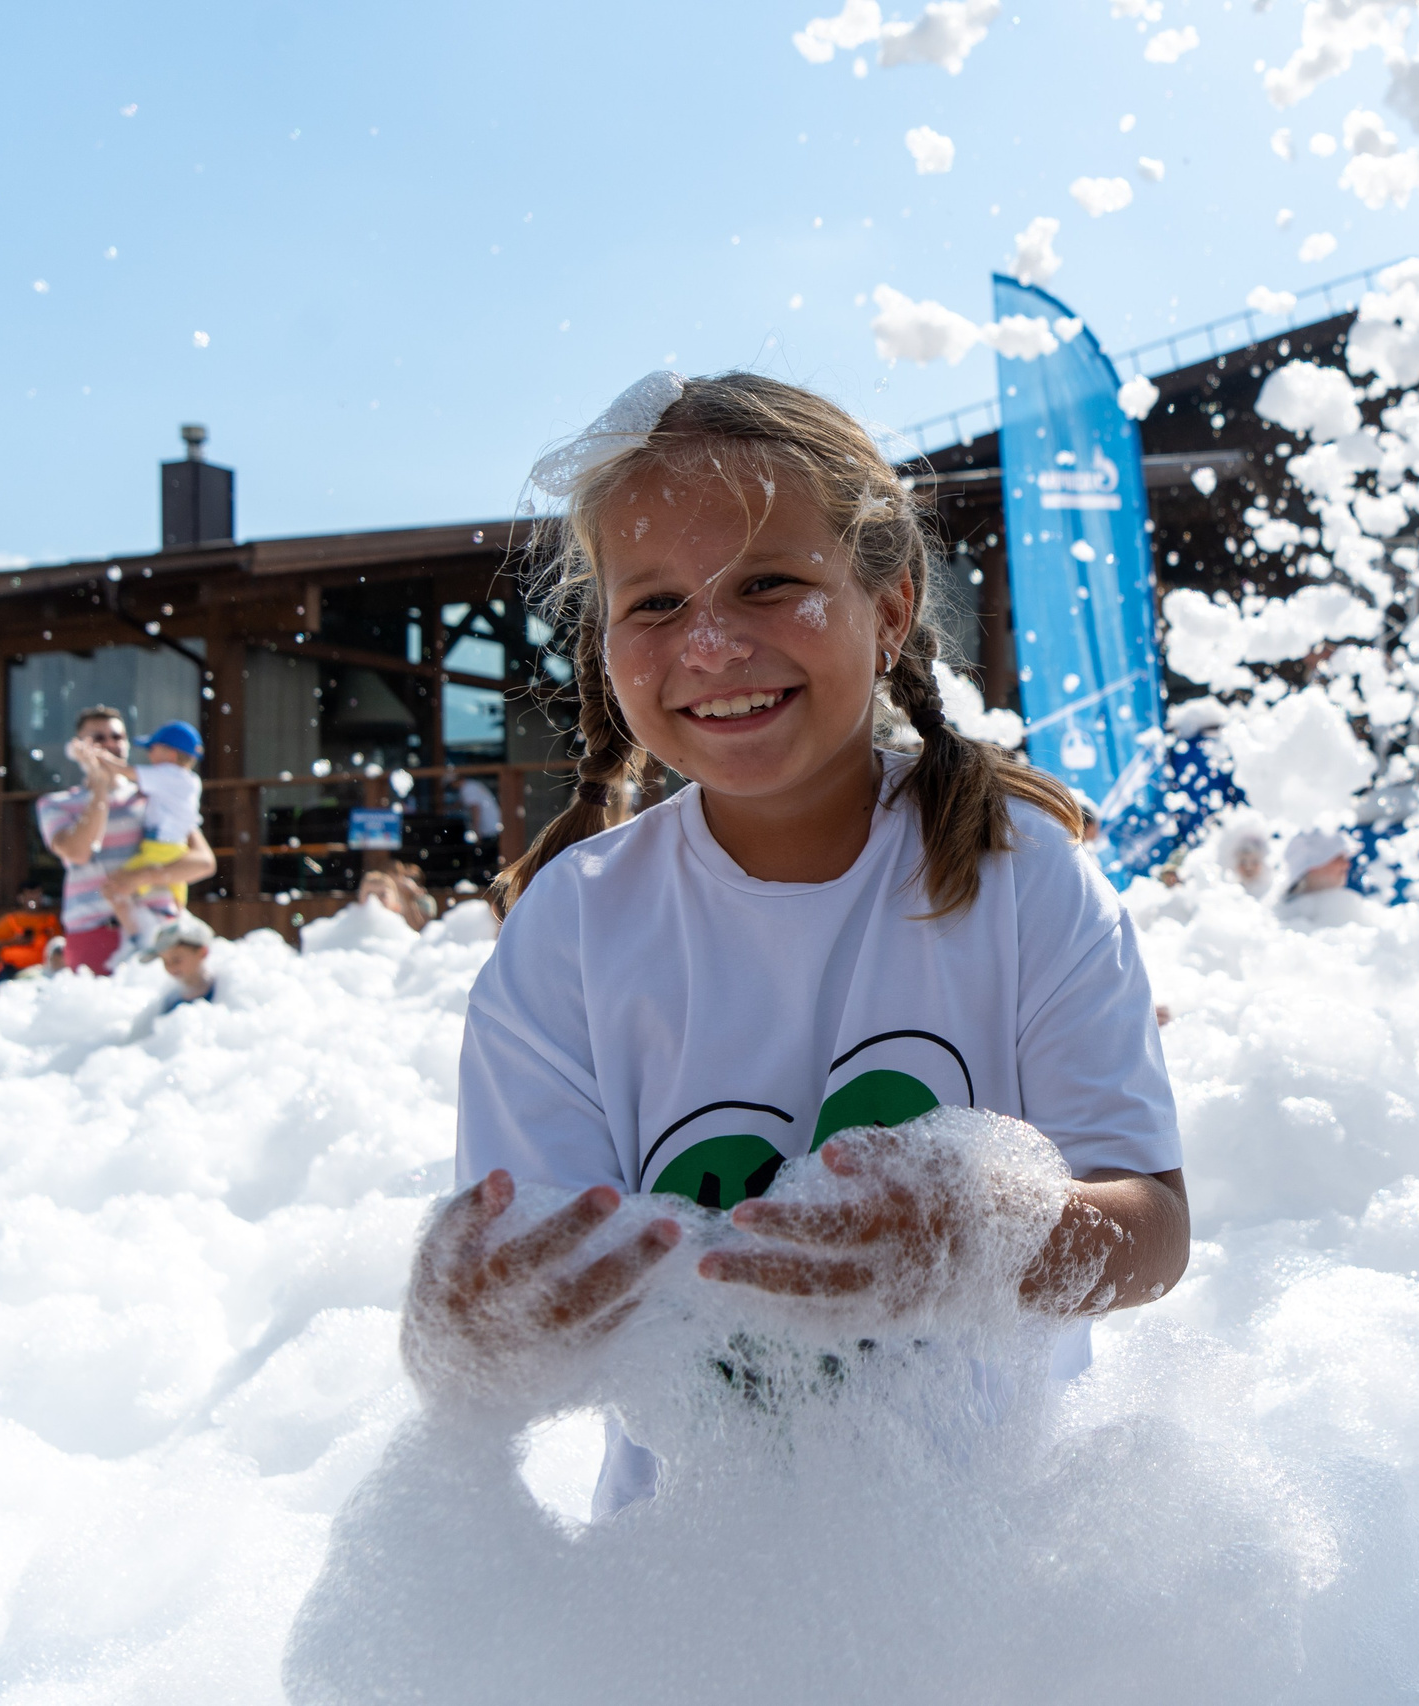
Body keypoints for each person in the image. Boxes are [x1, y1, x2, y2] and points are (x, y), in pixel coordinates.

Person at [405, 371, 1188, 1518]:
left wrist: (978, 1235)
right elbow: (534, 1285)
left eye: (769, 583)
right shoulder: (574, 929)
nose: (714, 642)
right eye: (657, 604)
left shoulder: (1019, 875)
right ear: (606, 638)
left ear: (887, 608)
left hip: (1000, 1562)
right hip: (697, 1574)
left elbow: (1154, 1233)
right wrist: (474, 1327)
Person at [34, 707, 219, 974]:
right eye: (99, 739)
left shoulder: (155, 798)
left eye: (117, 737)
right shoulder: (56, 804)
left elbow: (203, 862)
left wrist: (141, 876)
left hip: (159, 930)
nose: (110, 744)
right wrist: (100, 788)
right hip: (93, 931)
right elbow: (78, 852)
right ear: (79, 748)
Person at [109, 721, 206, 940]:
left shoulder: (168, 774)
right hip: (176, 847)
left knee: (114, 886)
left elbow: (126, 772)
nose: (148, 755)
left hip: (158, 848)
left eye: (152, 749)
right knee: (176, 903)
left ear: (171, 755)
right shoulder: (189, 779)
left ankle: (135, 935)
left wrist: (98, 759)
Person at [0, 881, 61, 993]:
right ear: (21, 897)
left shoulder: (50, 921)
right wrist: (14, 941)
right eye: (29, 895)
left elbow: (59, 945)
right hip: (13, 970)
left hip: (42, 970)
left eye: (37, 894)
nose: (33, 899)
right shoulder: (9, 920)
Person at [356, 861, 438, 930]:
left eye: (383, 895)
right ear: (359, 898)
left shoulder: (398, 928)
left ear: (397, 906)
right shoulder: (351, 924)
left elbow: (420, 929)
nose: (376, 899)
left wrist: (409, 899)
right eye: (370, 894)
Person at [1281, 826, 1353, 899]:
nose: (1347, 865)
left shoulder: (1342, 906)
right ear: (1312, 866)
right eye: (1338, 858)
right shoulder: (1288, 909)